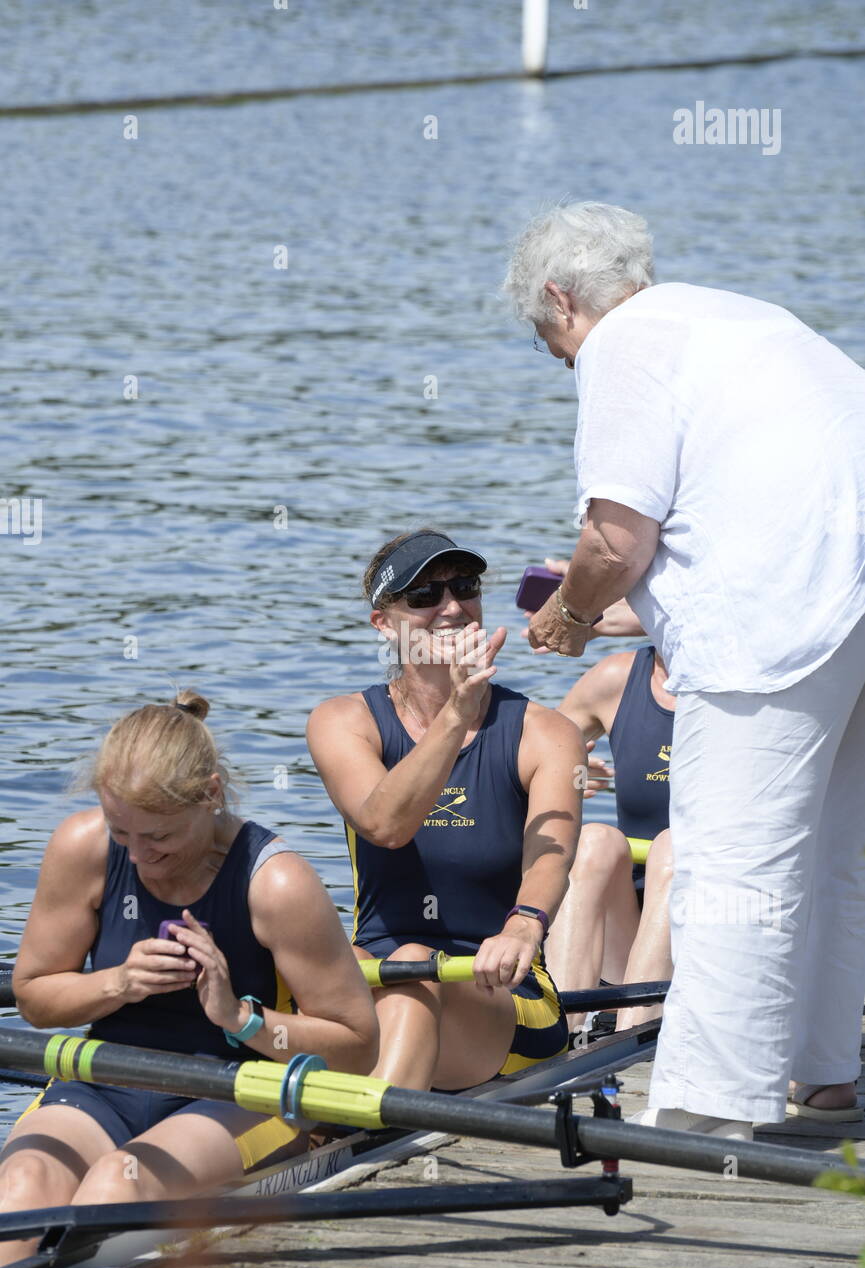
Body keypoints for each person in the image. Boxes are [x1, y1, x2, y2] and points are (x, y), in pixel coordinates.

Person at [503, 200, 865, 1139]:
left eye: (556, 349)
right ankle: (820, 1074)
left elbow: (615, 536)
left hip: (780, 620)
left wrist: (573, 613)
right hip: (844, 593)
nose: (568, 365)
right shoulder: (737, 318)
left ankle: (711, 1106)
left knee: (731, 860)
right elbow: (724, 520)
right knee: (834, 853)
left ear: (560, 299)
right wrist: (607, 600)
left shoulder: (623, 346)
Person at [0, 692, 377, 1266]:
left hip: (239, 1091)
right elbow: (33, 994)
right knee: (20, 1191)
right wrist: (119, 983)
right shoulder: (84, 848)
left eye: (160, 837)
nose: (140, 856)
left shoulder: (276, 885)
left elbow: (357, 1047)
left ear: (211, 795)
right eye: (122, 833)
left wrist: (239, 1016)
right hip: (108, 1080)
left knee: (114, 1190)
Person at [306, 529, 584, 1090]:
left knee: (412, 974)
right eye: (424, 597)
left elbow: (548, 862)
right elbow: (386, 824)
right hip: (382, 965)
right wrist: (456, 715)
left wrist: (523, 925)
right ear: (384, 623)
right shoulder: (341, 721)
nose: (453, 607)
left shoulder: (546, 733)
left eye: (464, 587)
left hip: (499, 983)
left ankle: (368, 1136)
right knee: (360, 969)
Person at [546, 641, 674, 1034]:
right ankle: (556, 1033)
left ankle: (630, 1044)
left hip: (719, 921)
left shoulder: (753, 684)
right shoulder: (615, 679)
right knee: (594, 838)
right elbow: (525, 763)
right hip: (630, 930)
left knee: (676, 843)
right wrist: (566, 774)